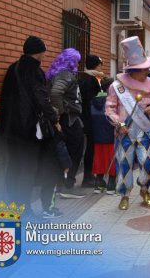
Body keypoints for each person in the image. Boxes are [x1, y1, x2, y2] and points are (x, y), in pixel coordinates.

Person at [0, 35, 62, 218]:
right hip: (28, 128)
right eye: (43, 51)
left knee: (14, 167)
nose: (44, 54)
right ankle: (24, 210)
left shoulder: (14, 68)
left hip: (9, 128)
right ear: (38, 52)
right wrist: (54, 118)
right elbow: (41, 99)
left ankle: (12, 207)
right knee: (27, 170)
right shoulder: (35, 72)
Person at [105, 36, 150, 210]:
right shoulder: (117, 86)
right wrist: (118, 123)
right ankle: (125, 194)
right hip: (125, 131)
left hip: (145, 130)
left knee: (146, 162)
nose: (147, 71)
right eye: (143, 69)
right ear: (133, 70)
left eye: (147, 68)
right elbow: (109, 109)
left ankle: (145, 189)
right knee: (124, 163)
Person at [47, 48, 86, 199]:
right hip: (68, 118)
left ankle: (62, 184)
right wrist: (61, 112)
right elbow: (56, 93)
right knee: (75, 149)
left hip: (67, 117)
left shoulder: (57, 73)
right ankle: (67, 185)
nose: (77, 63)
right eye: (76, 60)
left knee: (68, 150)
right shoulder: (65, 75)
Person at [79, 54, 105, 189]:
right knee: (91, 148)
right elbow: (95, 99)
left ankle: (88, 176)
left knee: (89, 147)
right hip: (92, 118)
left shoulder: (84, 78)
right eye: (100, 64)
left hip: (85, 117)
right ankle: (88, 177)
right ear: (96, 65)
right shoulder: (93, 79)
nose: (102, 67)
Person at [90, 78, 116, 194]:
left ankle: (98, 183)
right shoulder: (113, 101)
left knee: (99, 158)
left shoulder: (94, 100)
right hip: (111, 134)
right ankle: (111, 184)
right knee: (112, 158)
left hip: (97, 133)